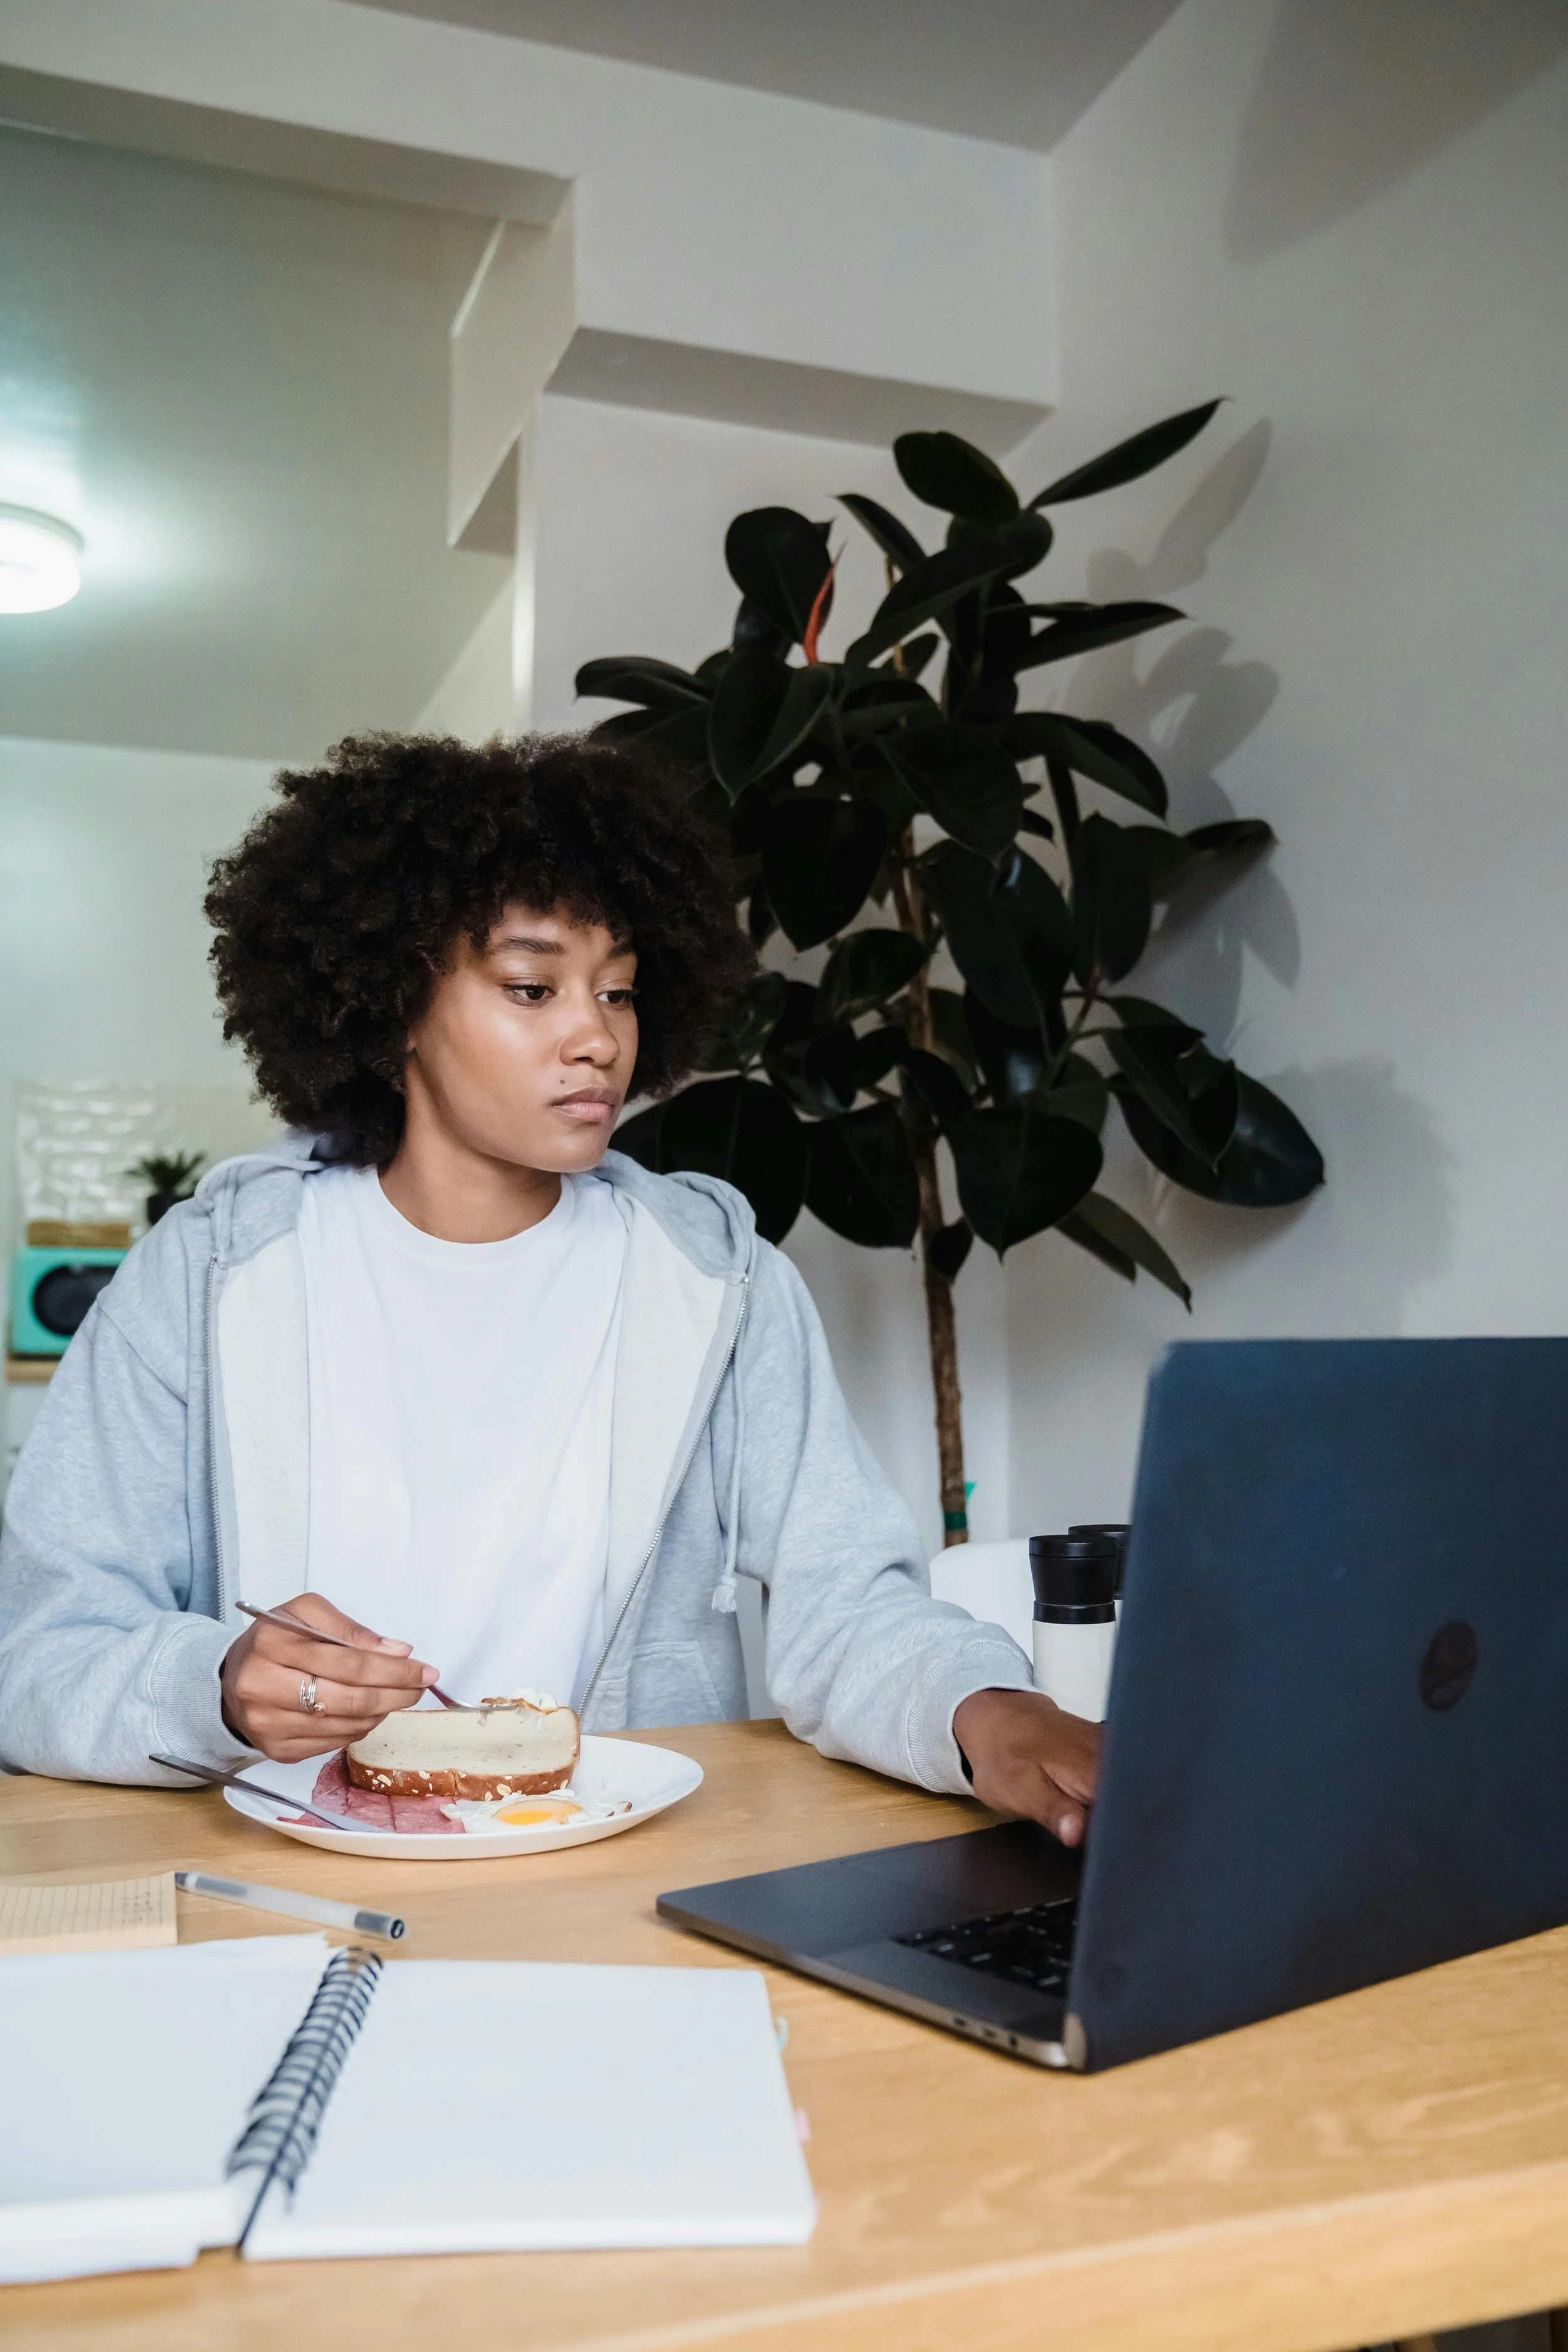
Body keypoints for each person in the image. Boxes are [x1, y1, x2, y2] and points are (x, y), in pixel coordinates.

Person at [0, 733, 1099, 1839]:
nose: (596, 1037)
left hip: (613, 1890)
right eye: (533, 987)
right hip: (287, 1896)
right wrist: (219, 1682)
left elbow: (848, 1604)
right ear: (393, 1012)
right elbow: (39, 1650)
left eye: (617, 990)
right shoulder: (208, 1276)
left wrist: (988, 1710)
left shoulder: (718, 1285)